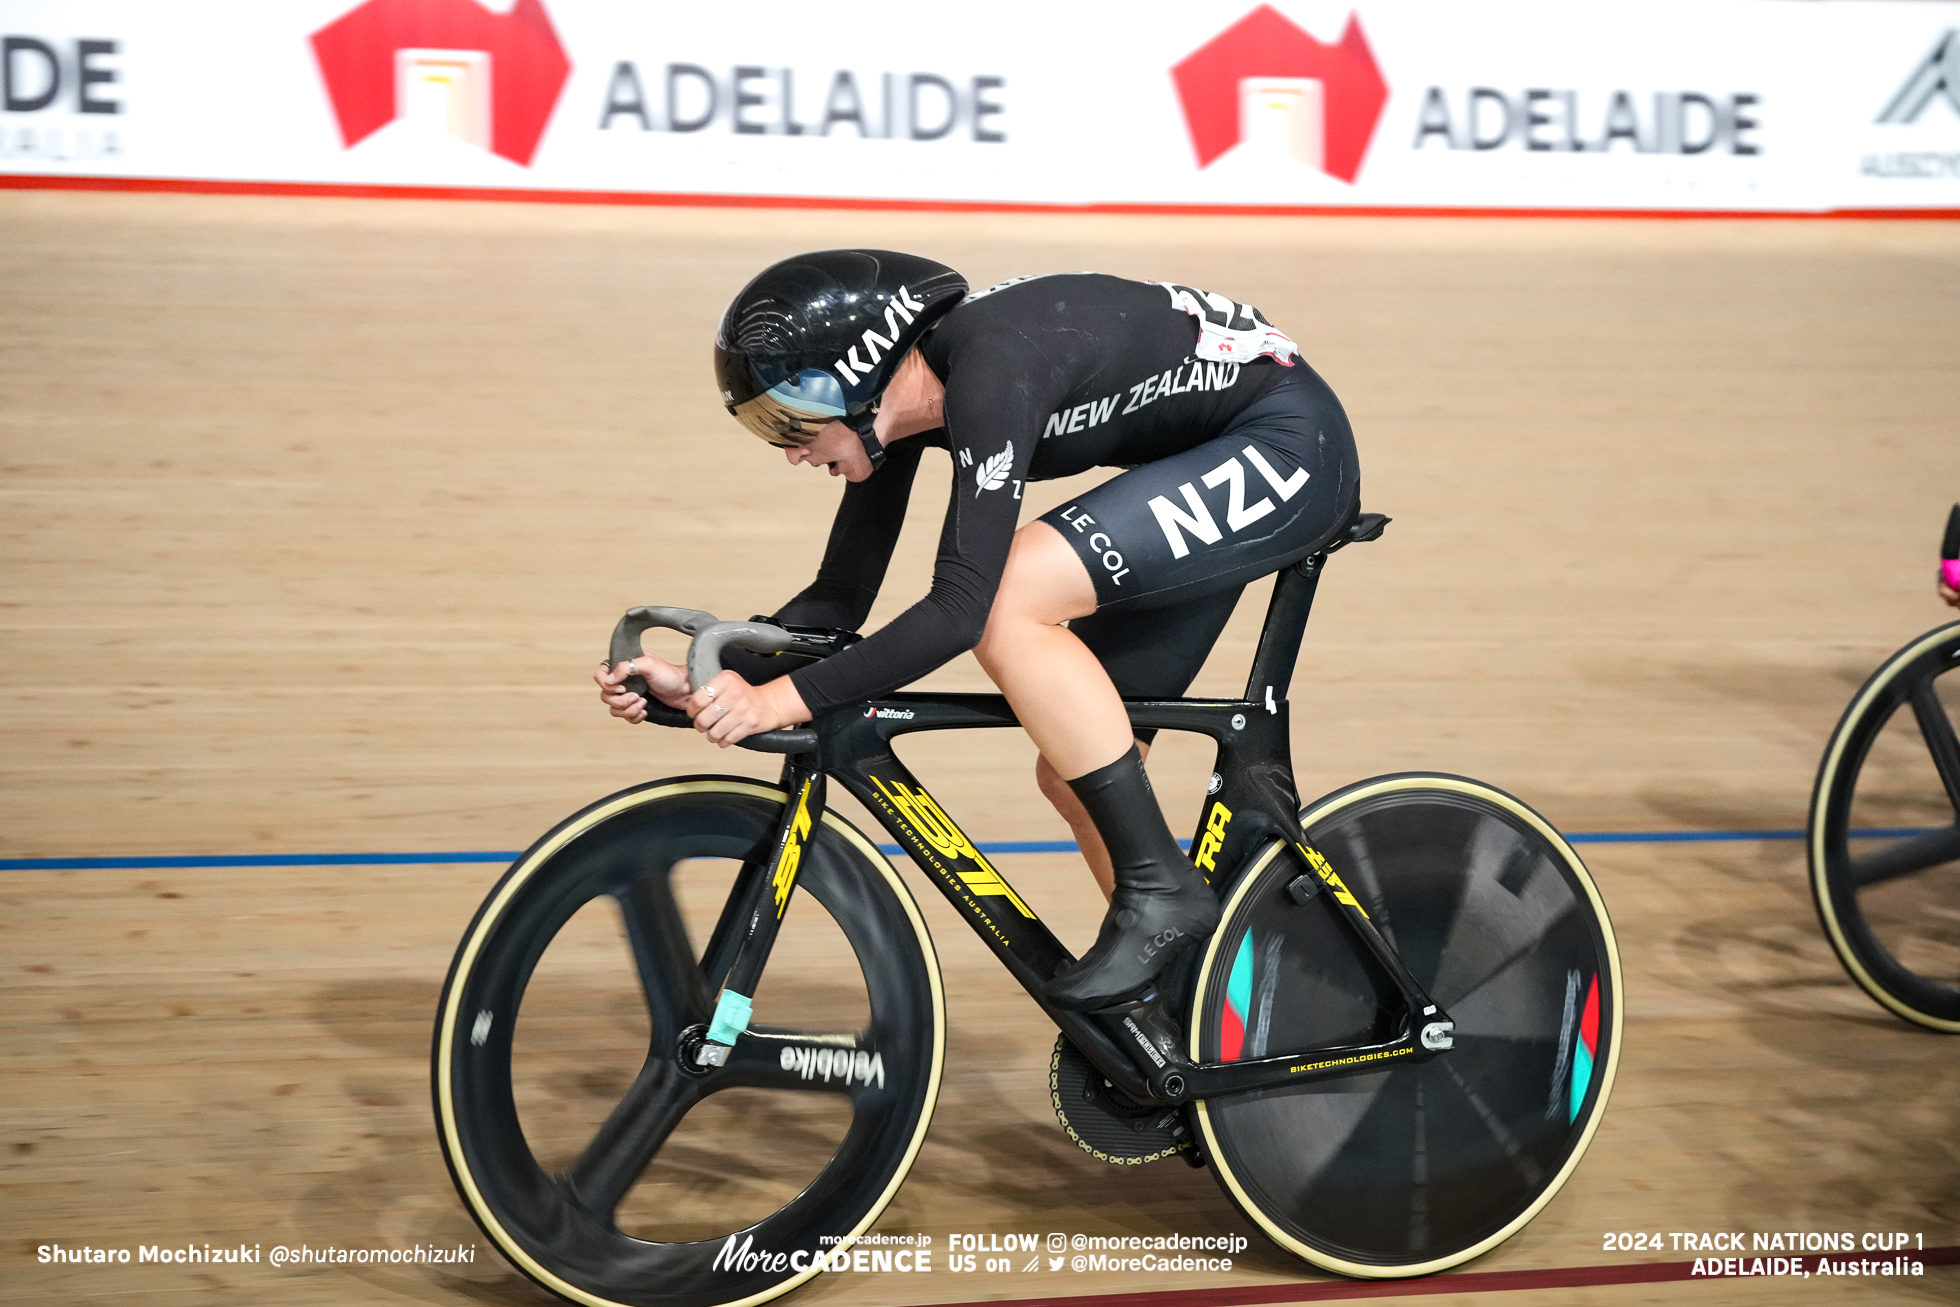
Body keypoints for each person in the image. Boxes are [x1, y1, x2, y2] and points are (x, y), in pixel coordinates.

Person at [596, 250, 1359, 1010]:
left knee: (1006, 597)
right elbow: (837, 601)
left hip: (1287, 444)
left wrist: (781, 702)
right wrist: (713, 685)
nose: (791, 450)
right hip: (1209, 451)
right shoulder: (907, 404)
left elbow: (960, 610)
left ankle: (1162, 891)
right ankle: (1224, 1022)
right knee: (1078, 767)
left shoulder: (992, 370)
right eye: (768, 427)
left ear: (860, 370)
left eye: (792, 416)